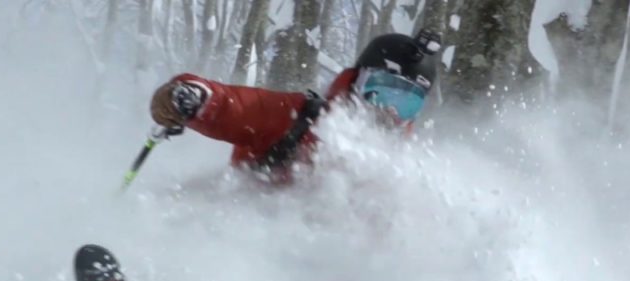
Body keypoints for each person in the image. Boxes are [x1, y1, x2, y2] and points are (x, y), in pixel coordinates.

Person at [149, 29, 441, 183]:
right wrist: (197, 97)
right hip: (249, 244)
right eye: (382, 93)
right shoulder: (298, 118)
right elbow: (239, 107)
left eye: (408, 103)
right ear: (356, 82)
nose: (391, 111)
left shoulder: (400, 173)